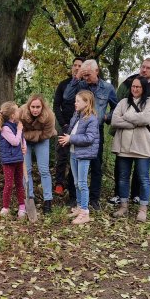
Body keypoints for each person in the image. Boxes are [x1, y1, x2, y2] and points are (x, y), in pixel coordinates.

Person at [110, 58, 150, 205]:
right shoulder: (126, 84)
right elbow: (117, 107)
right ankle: (119, 194)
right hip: (124, 134)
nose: (144, 70)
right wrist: (133, 122)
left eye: (149, 68)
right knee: (121, 168)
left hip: (145, 134)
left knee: (141, 169)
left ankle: (137, 195)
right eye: (143, 67)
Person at [63, 59, 118, 209]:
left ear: (97, 71)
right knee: (75, 161)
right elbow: (67, 97)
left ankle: (94, 199)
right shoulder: (80, 84)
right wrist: (77, 77)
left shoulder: (107, 88)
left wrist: (106, 117)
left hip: (95, 131)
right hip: (79, 129)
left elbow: (117, 108)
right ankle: (75, 199)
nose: (86, 78)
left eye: (88, 75)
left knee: (96, 166)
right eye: (84, 75)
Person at [110, 76, 150, 222]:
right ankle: (123, 206)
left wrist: (127, 117)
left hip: (143, 146)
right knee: (123, 177)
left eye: (138, 87)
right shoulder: (123, 102)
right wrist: (134, 122)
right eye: (133, 87)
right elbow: (114, 120)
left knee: (143, 178)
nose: (135, 89)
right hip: (123, 146)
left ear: (144, 88)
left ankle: (143, 209)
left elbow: (146, 119)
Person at [59, 90, 100, 225]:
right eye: (75, 100)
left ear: (87, 102)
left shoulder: (92, 119)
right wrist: (67, 139)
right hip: (73, 152)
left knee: (82, 183)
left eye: (78, 101)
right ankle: (79, 206)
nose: (75, 103)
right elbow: (72, 132)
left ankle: (85, 213)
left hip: (84, 154)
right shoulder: (77, 116)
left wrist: (71, 138)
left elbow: (89, 138)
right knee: (76, 182)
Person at [53, 57, 84, 202]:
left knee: (76, 156)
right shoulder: (64, 85)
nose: (77, 68)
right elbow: (56, 105)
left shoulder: (86, 86)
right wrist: (63, 123)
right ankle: (59, 183)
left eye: (80, 66)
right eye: (75, 65)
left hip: (81, 126)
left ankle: (73, 188)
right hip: (65, 125)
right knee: (62, 155)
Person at [20, 94, 57, 213]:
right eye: (33, 107)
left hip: (42, 140)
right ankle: (29, 197)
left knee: (44, 170)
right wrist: (34, 134)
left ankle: (48, 200)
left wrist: (32, 134)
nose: (35, 110)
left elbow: (47, 134)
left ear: (42, 107)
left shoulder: (49, 115)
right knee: (27, 170)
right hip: (24, 141)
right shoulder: (21, 112)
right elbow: (18, 132)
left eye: (38, 107)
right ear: (29, 106)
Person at [0, 102, 27, 218]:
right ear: (13, 115)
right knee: (9, 184)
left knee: (20, 183)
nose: (20, 111)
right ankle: (5, 207)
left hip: (19, 158)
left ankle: (22, 207)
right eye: (17, 110)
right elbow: (14, 141)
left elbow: (22, 140)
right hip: (9, 160)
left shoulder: (18, 124)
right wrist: (19, 130)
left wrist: (25, 147)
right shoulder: (5, 128)